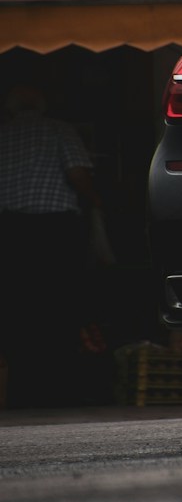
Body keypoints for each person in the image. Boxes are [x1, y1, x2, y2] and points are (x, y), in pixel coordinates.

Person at [0, 84, 101, 406]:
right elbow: (77, 175)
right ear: (42, 106)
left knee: (19, 307)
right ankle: (60, 387)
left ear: (11, 109)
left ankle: (22, 388)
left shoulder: (2, 135)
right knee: (59, 303)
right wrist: (99, 202)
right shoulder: (60, 130)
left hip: (11, 229)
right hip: (55, 229)